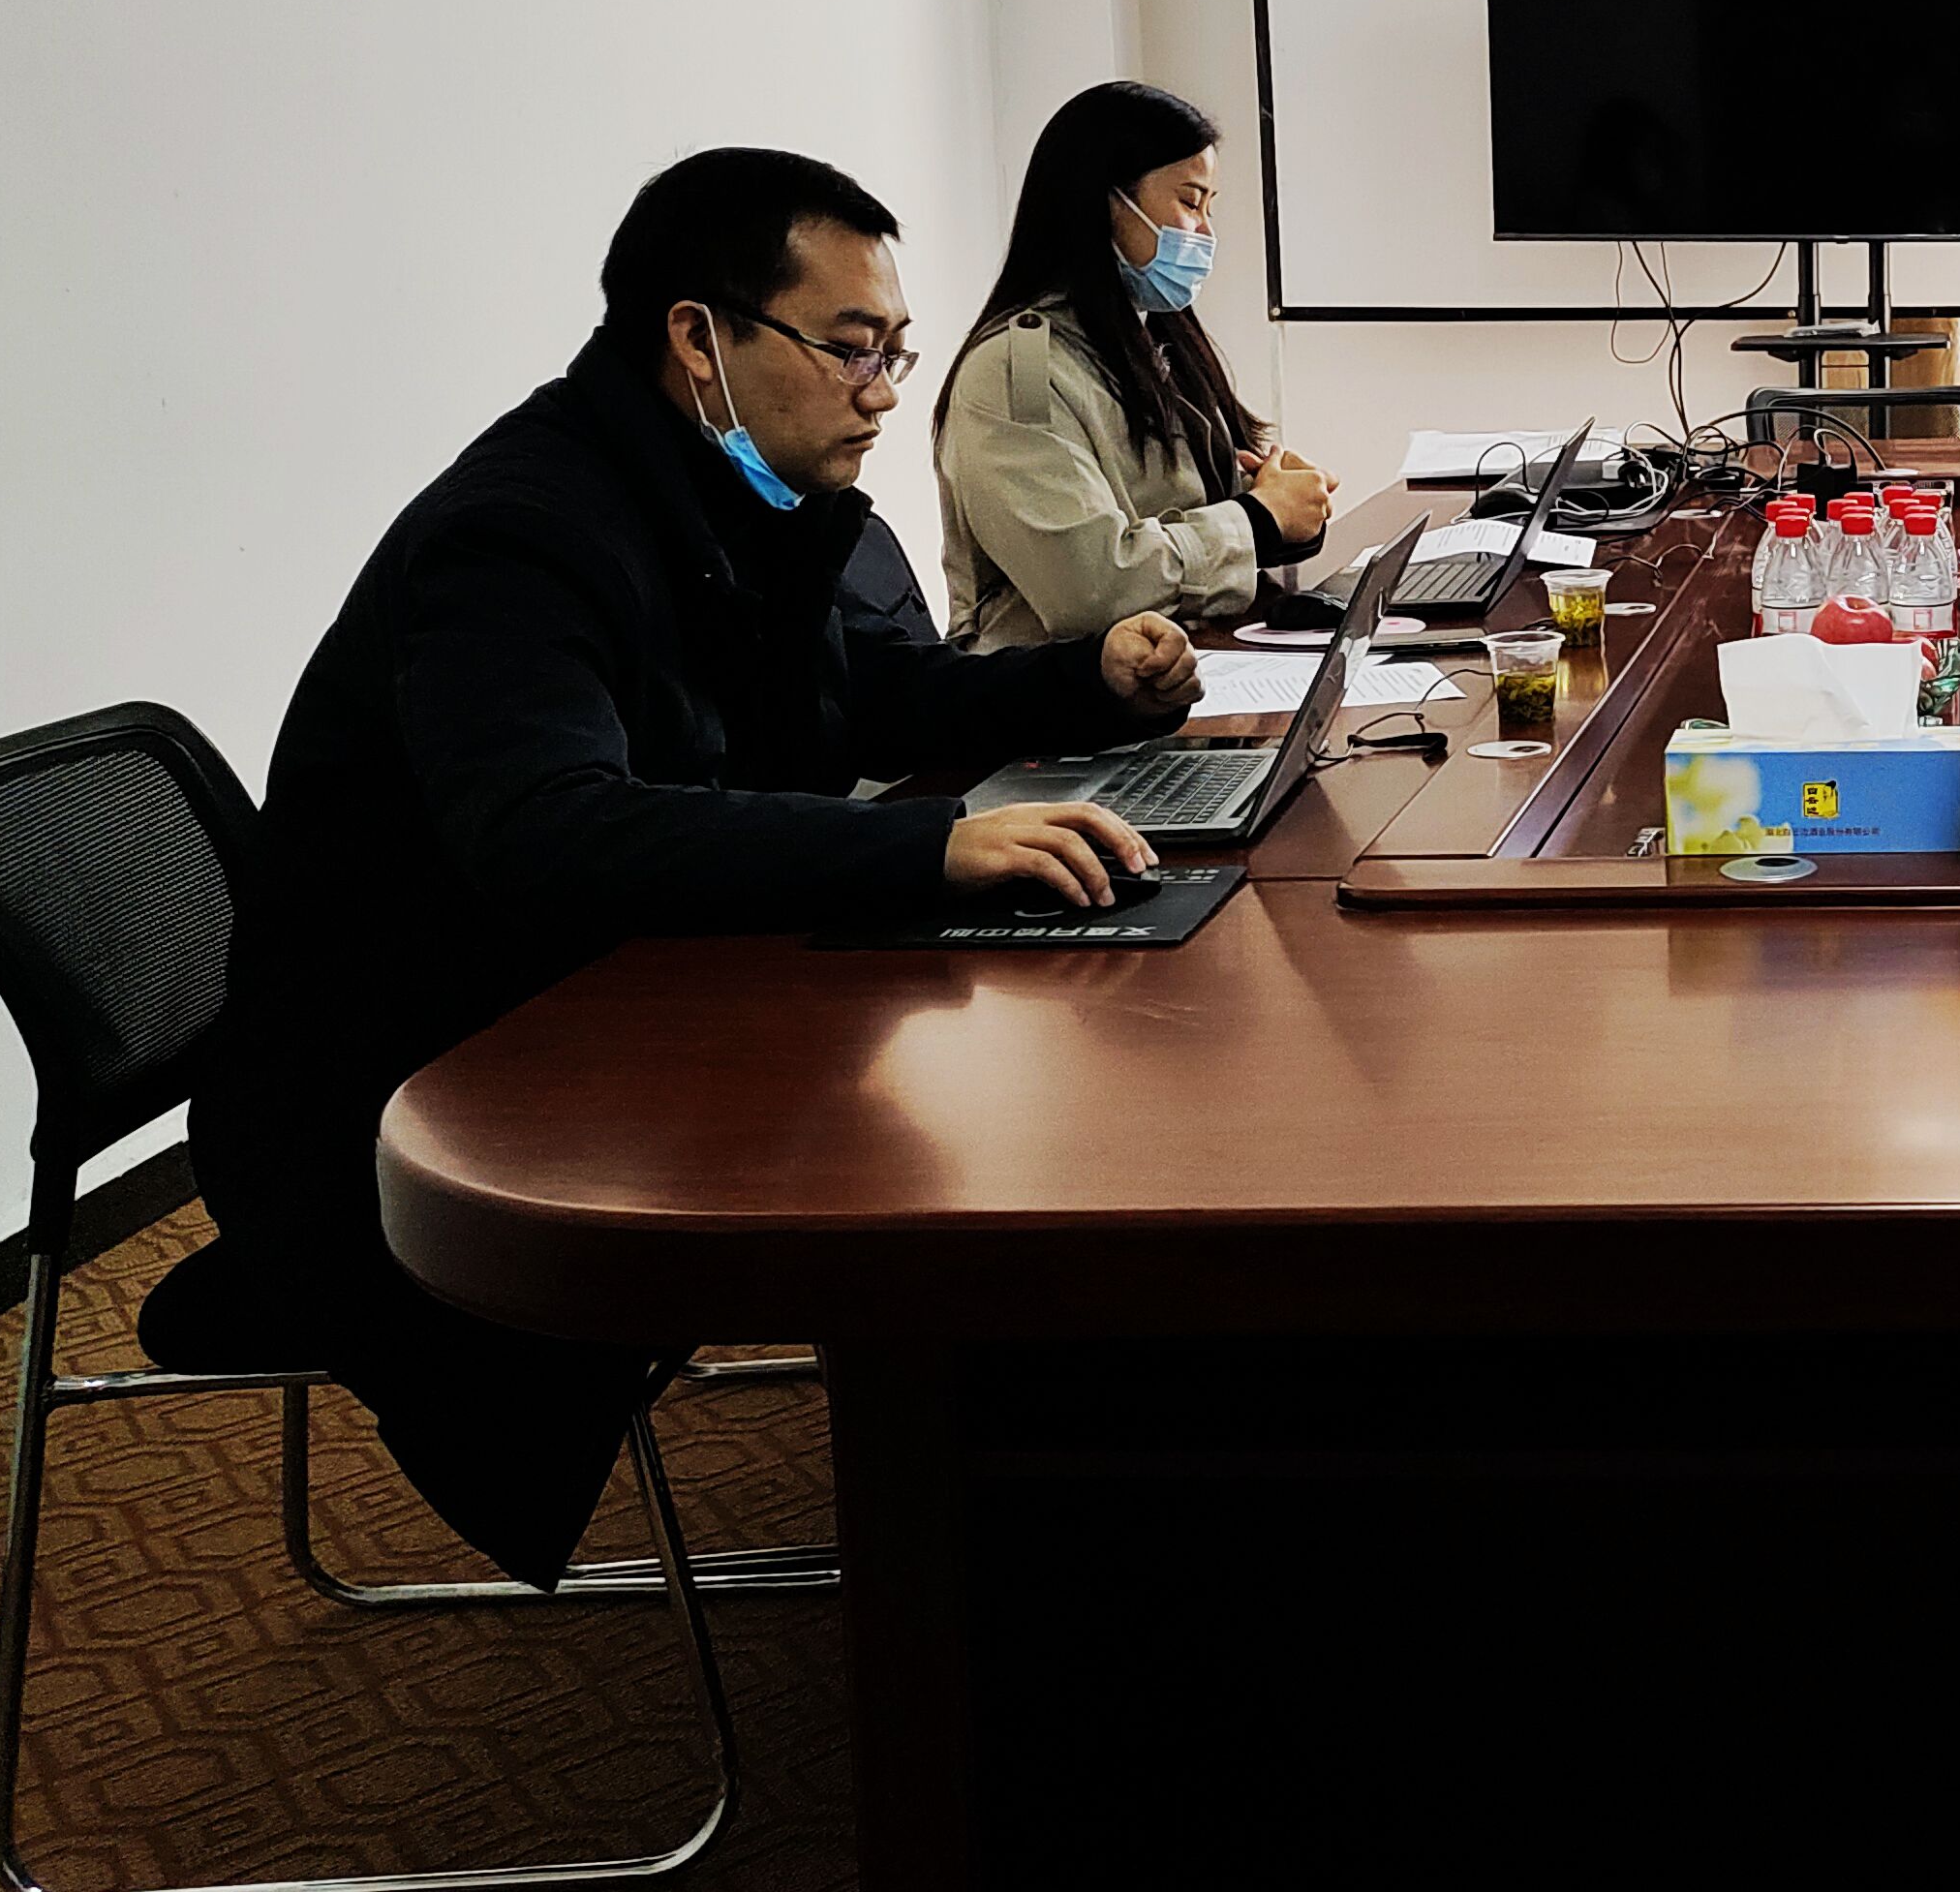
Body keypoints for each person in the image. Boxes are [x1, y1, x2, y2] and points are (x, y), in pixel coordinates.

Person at [194, 146, 1210, 1587]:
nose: (883, 390)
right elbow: (555, 830)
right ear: (698, 338)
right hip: (429, 1092)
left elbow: (875, 698)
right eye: (850, 348)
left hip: (603, 994)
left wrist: (1086, 682)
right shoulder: (521, 532)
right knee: (981, 1120)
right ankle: (974, 1520)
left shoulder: (726, 498)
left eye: (896, 350)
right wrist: (925, 845)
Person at [935, 80, 1335, 650]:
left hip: (1182, 662)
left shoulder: (1152, 334)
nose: (1206, 232)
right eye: (1190, 202)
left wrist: (1275, 492)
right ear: (1104, 202)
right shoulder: (1011, 372)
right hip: (1057, 693)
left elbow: (1171, 511)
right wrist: (1258, 519)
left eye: (1210, 207)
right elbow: (1090, 588)